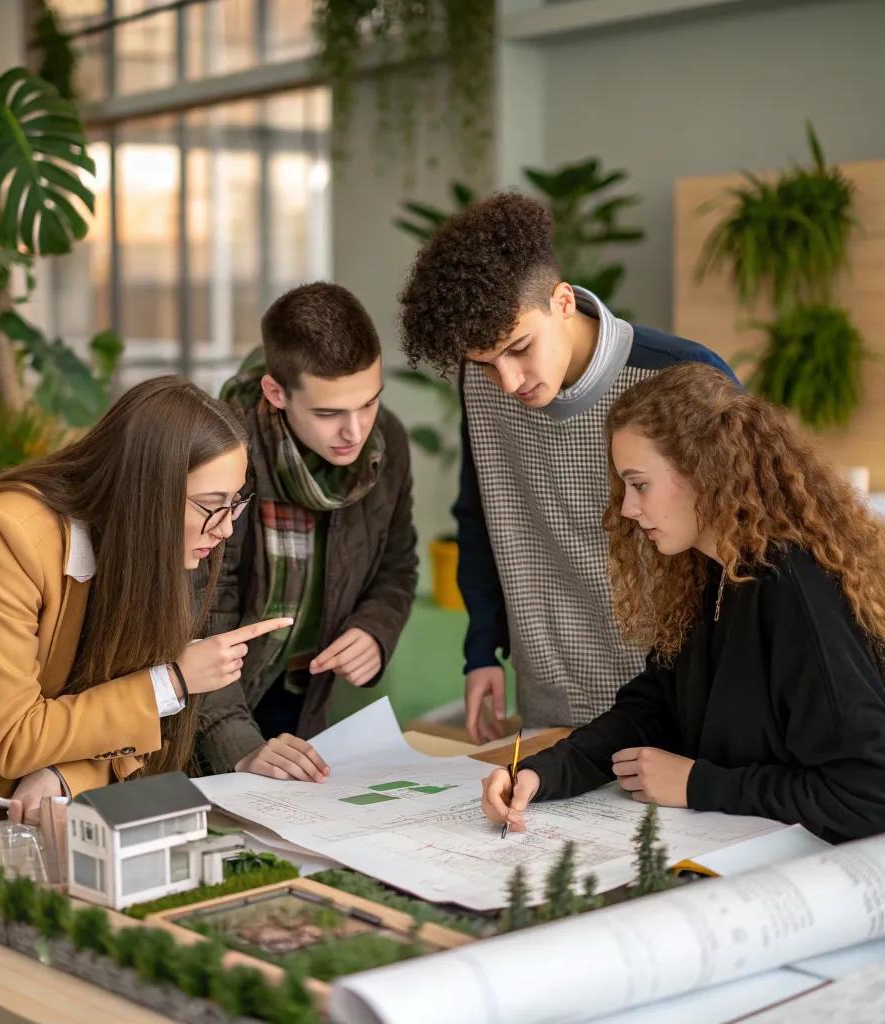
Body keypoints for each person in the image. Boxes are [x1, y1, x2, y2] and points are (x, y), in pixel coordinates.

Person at [0, 376, 291, 1023]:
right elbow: (16, 734)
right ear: (147, 491)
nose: (226, 528)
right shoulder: (4, 535)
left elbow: (125, 748)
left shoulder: (151, 556)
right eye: (211, 505)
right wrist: (172, 683)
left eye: (236, 503)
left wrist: (66, 770)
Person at [481, 363, 885, 844]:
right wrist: (544, 772)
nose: (628, 508)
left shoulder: (792, 588)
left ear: (706, 473)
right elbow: (656, 707)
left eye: (640, 484)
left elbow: (869, 792)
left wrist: (699, 784)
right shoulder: (708, 568)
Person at [398, 191, 737, 745]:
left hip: (680, 709)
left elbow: (747, 546)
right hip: (553, 702)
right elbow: (480, 513)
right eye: (483, 364)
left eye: (520, 347)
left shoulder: (682, 376)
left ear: (561, 302)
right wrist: (481, 648)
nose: (507, 382)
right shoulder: (483, 389)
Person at [195, 282, 418, 782]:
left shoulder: (390, 446)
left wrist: (375, 631)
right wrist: (241, 745)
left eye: (369, 403)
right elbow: (201, 617)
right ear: (277, 393)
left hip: (305, 703)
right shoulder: (222, 455)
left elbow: (397, 566)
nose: (355, 432)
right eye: (328, 413)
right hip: (212, 713)